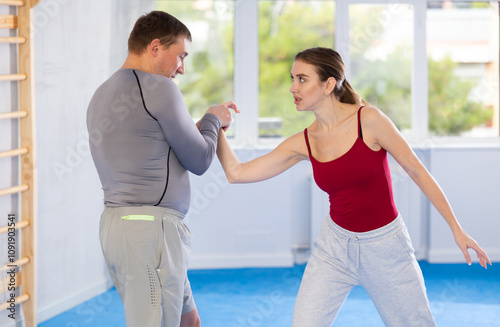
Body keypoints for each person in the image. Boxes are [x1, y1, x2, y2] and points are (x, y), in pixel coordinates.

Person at [216, 47, 491, 326]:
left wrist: (457, 228)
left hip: (385, 246)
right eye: (292, 78)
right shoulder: (305, 141)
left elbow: (417, 171)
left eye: (302, 79)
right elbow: (237, 172)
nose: (292, 88)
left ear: (328, 84)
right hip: (334, 248)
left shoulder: (369, 120)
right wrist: (216, 127)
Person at [87, 11, 237, 327]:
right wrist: (214, 118)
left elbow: (155, 145)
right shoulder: (158, 87)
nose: (181, 68)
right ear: (155, 47)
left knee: (188, 321)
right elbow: (199, 160)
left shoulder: (103, 92)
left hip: (124, 229)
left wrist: (202, 125)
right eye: (180, 55)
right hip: (151, 234)